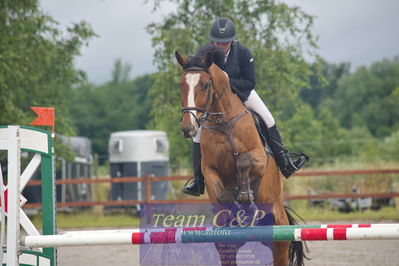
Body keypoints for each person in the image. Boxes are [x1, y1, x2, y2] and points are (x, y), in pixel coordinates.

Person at [183, 18, 309, 196]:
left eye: (225, 42)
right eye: (217, 41)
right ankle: (198, 180)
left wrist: (227, 79)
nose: (220, 45)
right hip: (217, 102)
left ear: (232, 40)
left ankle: (284, 162)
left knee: (268, 118)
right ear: (212, 40)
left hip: (243, 94)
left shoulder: (242, 53)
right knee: (197, 135)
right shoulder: (205, 56)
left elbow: (250, 83)